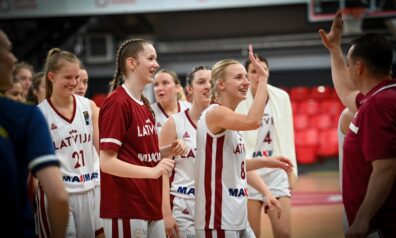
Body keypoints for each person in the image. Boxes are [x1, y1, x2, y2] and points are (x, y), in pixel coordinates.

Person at [194, 45, 293, 238]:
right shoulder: (216, 113)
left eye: (246, 77)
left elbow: (236, 163)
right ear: (221, 84)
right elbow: (253, 121)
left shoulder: (229, 118)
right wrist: (263, 79)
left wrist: (268, 161)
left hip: (235, 215)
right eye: (239, 77)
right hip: (218, 219)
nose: (247, 82)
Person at [320, 11, 396, 237]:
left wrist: (362, 220)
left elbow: (386, 169)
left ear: (359, 67)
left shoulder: (377, 105)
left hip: (380, 226)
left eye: (350, 64)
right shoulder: (381, 96)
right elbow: (347, 93)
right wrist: (335, 50)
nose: (349, 69)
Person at [99, 38, 179, 237]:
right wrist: (153, 172)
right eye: (151, 58)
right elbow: (106, 162)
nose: (156, 64)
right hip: (126, 206)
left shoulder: (144, 104)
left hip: (149, 203)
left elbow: (139, 154)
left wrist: (168, 151)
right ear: (132, 63)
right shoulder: (117, 103)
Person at [0, 30, 69, 238]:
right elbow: (58, 196)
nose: (13, 58)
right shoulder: (27, 115)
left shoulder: (87, 107)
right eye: (8, 50)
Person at [37, 48, 104, 237]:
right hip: (59, 194)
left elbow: (102, 149)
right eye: (68, 77)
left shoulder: (89, 106)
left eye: (77, 77)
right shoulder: (39, 114)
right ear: (51, 76)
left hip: (92, 188)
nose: (74, 83)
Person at [236, 55, 297, 238]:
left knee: (284, 233)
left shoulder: (281, 96)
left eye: (263, 70)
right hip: (250, 171)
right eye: (254, 71)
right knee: (253, 234)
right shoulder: (239, 99)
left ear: (268, 72)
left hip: (275, 169)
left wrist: (291, 171)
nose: (258, 75)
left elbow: (288, 136)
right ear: (247, 75)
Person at [160, 65, 212, 238]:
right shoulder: (174, 123)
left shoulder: (224, 121)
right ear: (189, 89)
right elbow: (163, 172)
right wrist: (166, 214)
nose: (207, 86)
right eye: (201, 82)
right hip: (182, 203)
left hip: (213, 203)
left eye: (211, 82)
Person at [151, 69, 191, 133]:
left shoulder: (190, 108)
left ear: (177, 88)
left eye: (165, 83)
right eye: (156, 84)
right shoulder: (149, 112)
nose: (159, 88)